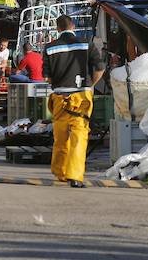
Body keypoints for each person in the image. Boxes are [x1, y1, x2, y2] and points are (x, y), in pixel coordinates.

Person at [43, 15, 105, 188]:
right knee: (79, 136)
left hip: (60, 98)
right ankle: (75, 177)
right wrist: (90, 84)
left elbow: (47, 77)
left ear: (58, 29)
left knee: (60, 136)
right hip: (81, 98)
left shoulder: (49, 48)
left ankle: (60, 172)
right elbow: (100, 68)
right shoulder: (87, 44)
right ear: (74, 26)